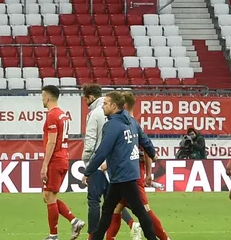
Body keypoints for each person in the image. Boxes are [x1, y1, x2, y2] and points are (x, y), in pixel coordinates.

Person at [84, 92, 163, 240]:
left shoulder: (112, 125)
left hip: (122, 176)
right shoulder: (131, 121)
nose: (103, 106)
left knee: (139, 211)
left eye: (106, 103)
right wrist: (152, 154)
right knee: (108, 210)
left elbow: (102, 151)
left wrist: (88, 171)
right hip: (125, 175)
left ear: (114, 106)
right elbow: (145, 140)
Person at [104, 93, 172, 240]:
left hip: (132, 175)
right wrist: (149, 172)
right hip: (126, 174)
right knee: (117, 209)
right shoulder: (131, 122)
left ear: (124, 106)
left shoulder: (129, 124)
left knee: (145, 211)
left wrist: (147, 173)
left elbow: (147, 150)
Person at [43, 84, 84, 240]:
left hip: (55, 160)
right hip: (63, 158)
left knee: (49, 196)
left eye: (42, 96)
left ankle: (53, 236)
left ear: (47, 98)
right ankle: (74, 221)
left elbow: (52, 142)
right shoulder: (62, 114)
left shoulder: (52, 115)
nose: (42, 99)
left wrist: (45, 164)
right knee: (48, 196)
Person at [81, 84, 110, 240]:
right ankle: (132, 223)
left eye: (86, 98)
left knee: (93, 200)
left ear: (91, 96)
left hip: (97, 163)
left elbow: (91, 140)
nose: (86, 100)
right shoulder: (113, 111)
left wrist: (87, 161)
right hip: (111, 164)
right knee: (113, 201)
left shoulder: (95, 113)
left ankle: (93, 236)